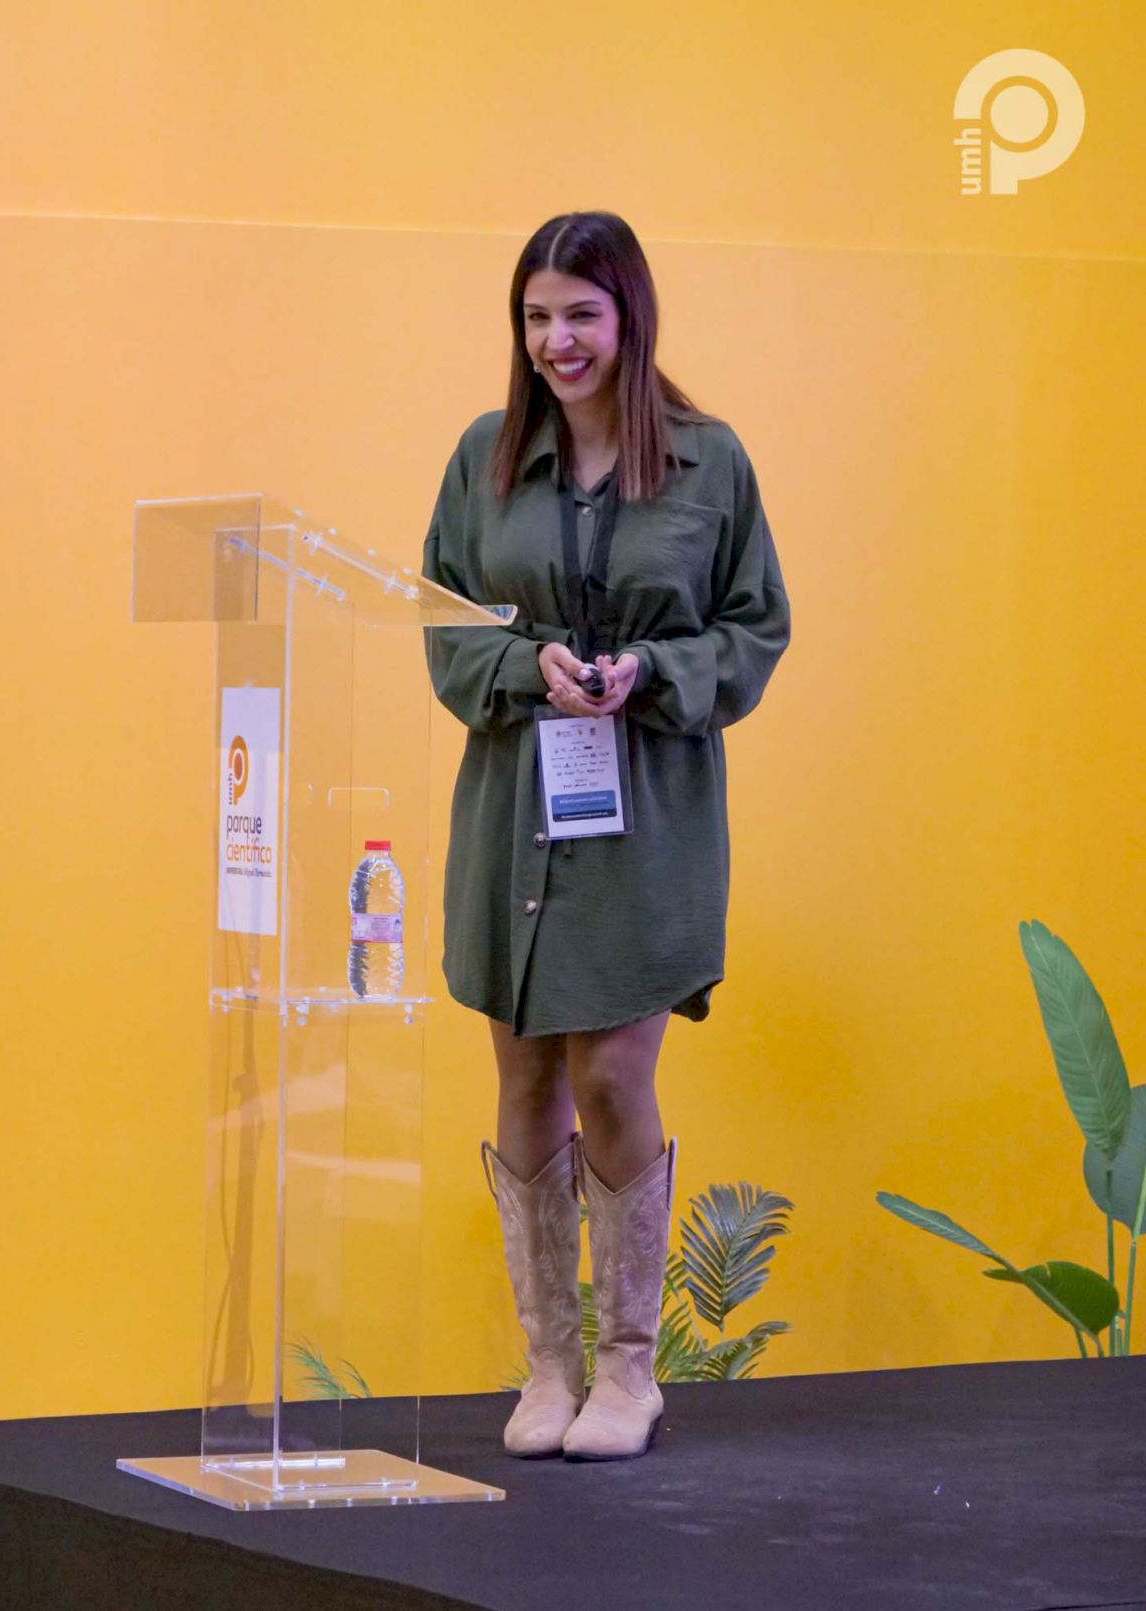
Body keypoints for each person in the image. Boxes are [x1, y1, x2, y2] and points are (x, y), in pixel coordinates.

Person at [421, 211, 789, 1462]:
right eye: (536, 317)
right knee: (525, 1075)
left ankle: (630, 1372)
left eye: (581, 313)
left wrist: (651, 673)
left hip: (651, 813)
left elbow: (753, 628)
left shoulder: (708, 462)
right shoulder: (482, 458)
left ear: (630, 316)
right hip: (514, 806)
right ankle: (548, 1367)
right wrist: (525, 664)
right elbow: (441, 621)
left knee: (611, 1074)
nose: (557, 340)